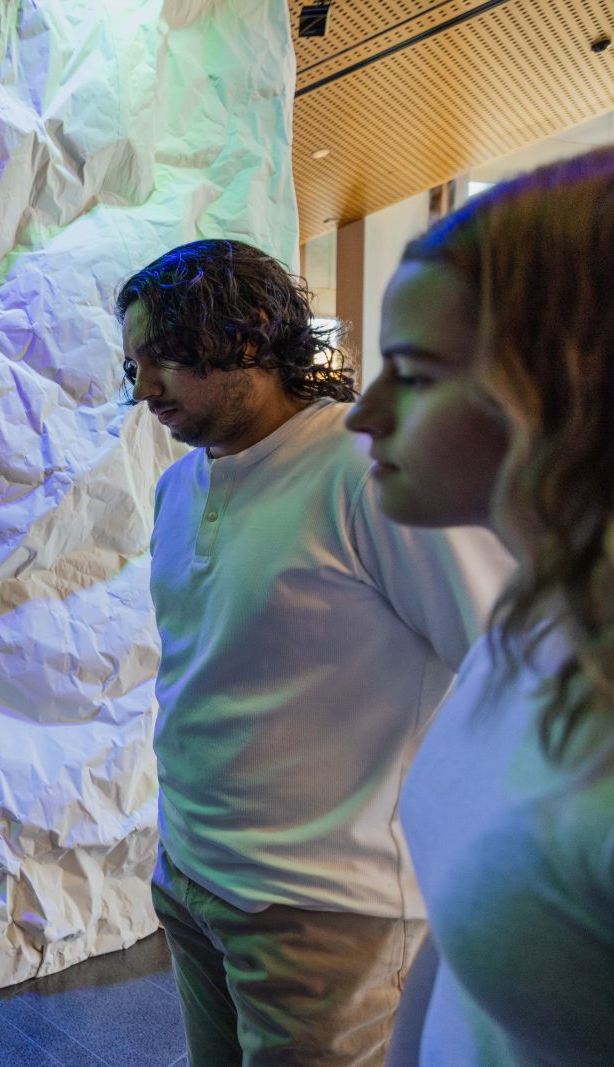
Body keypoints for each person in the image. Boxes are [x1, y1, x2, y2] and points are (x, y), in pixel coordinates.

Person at [117, 239, 511, 1065]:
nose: (144, 387)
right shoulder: (178, 487)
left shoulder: (369, 473)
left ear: (250, 334)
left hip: (324, 912)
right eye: (134, 366)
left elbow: (506, 669)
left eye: (165, 358)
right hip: (189, 875)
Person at [346, 146, 614, 1065]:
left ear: (565, 392)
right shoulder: (533, 617)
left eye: (415, 374)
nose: (363, 414)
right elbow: (463, 946)